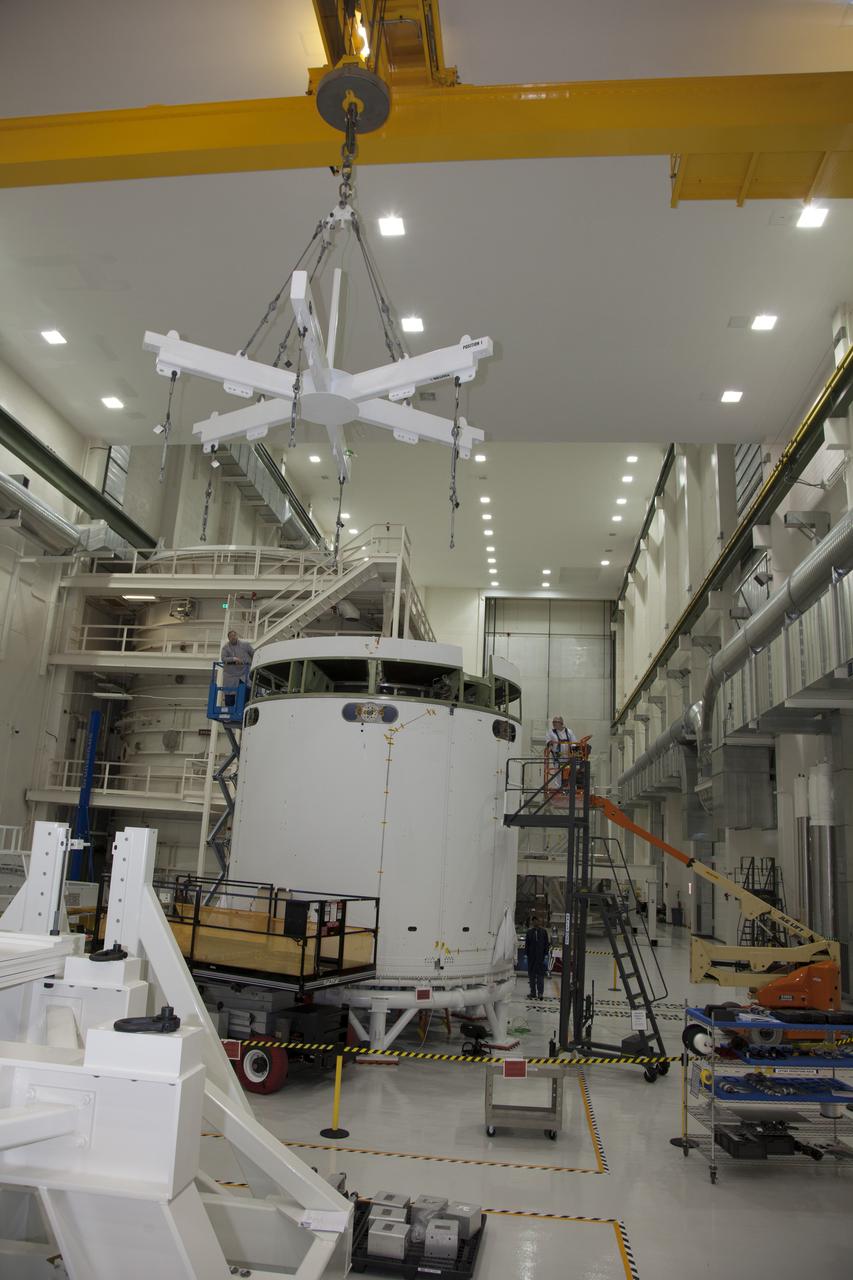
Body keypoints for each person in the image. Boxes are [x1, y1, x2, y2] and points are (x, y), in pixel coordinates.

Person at [221, 629, 254, 708]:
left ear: (237, 636)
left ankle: (244, 710)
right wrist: (234, 659)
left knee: (246, 692)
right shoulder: (225, 648)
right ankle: (229, 713)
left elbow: (254, 653)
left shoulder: (245, 645)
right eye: (231, 636)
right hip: (230, 676)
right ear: (228, 638)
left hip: (244, 674)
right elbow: (223, 659)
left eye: (234, 635)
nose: (233, 637)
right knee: (229, 695)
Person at [525, 917, 550, 1000]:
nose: (536, 922)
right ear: (532, 922)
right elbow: (527, 945)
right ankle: (533, 993)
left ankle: (540, 993)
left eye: (537, 921)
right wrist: (526, 955)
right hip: (531, 958)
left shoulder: (543, 932)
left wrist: (546, 955)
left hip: (540, 958)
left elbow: (546, 944)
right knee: (531, 976)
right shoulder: (529, 932)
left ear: (539, 922)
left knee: (540, 976)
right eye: (534, 921)